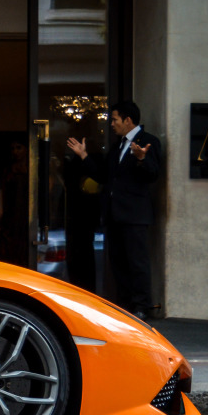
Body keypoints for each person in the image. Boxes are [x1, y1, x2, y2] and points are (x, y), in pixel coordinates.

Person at [65, 101, 161, 318]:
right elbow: (103, 176)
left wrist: (141, 159)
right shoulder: (118, 146)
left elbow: (153, 174)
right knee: (118, 263)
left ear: (128, 120)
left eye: (115, 120)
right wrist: (83, 156)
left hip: (135, 214)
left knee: (137, 262)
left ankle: (142, 307)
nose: (112, 124)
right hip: (115, 214)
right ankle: (125, 306)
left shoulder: (148, 142)